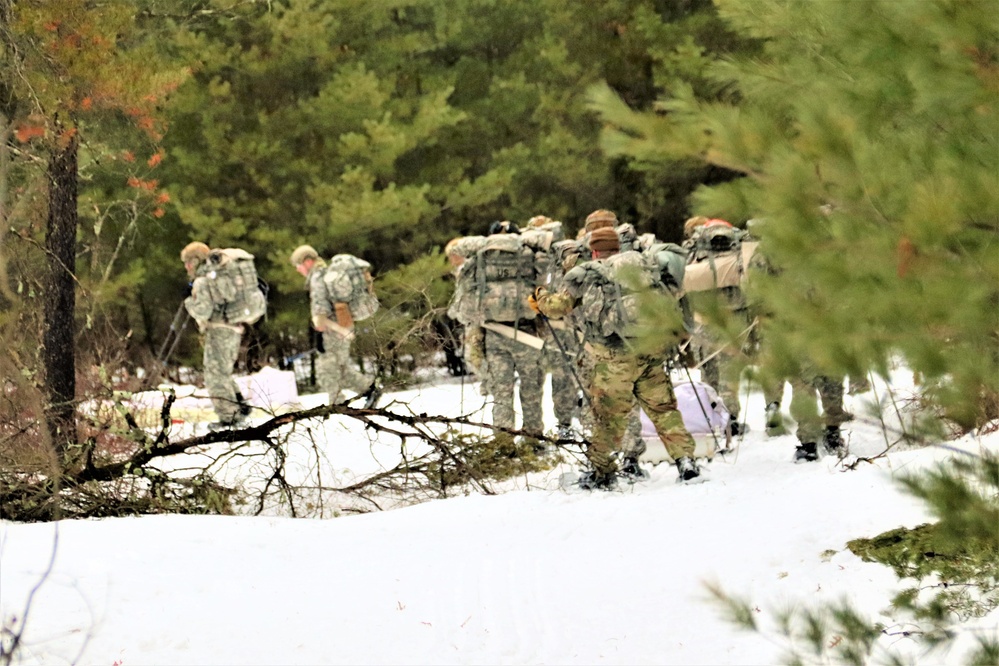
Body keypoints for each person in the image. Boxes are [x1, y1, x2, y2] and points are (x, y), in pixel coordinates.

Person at [532, 226, 702, 488]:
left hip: (615, 361)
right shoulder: (644, 265)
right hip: (650, 352)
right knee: (664, 410)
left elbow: (559, 308)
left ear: (594, 250)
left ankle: (601, 471)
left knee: (610, 417)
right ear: (619, 247)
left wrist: (540, 297)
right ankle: (686, 461)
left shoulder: (591, 272)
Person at [290, 245, 379, 408]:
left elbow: (320, 309)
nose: (298, 270)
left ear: (308, 261)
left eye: (298, 266)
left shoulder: (317, 276)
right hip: (342, 326)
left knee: (327, 369)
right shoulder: (326, 274)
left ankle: (337, 403)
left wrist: (322, 324)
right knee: (341, 368)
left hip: (334, 329)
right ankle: (370, 390)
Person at [180, 241, 250, 431]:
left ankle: (230, 418)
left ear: (196, 261)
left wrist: (188, 301)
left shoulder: (203, 281)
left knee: (214, 376)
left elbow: (202, 312)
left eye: (188, 262)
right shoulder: (217, 276)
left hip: (219, 331)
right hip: (232, 329)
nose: (186, 267)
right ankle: (240, 406)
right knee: (223, 371)